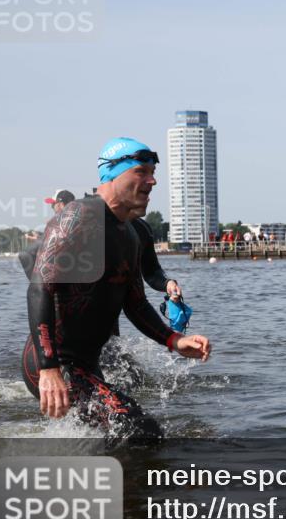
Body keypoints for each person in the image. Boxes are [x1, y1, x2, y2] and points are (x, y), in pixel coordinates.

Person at [22, 137, 211, 442]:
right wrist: (49, 369)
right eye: (141, 171)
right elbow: (39, 289)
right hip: (55, 361)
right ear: (111, 173)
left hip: (86, 362)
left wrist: (174, 339)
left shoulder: (131, 234)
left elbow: (135, 304)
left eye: (152, 172)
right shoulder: (79, 216)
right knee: (141, 433)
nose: (152, 180)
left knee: (124, 437)